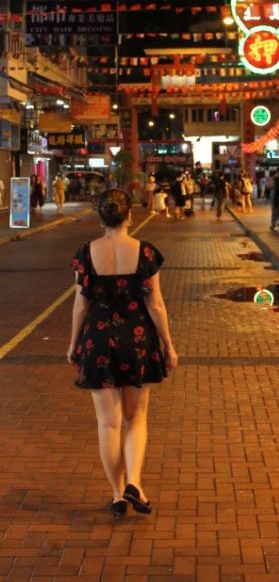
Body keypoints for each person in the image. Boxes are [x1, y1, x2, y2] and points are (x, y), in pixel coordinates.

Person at [67, 188, 177, 516]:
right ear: (129, 216)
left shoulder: (86, 253)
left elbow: (80, 303)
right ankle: (136, 482)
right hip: (137, 338)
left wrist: (73, 343)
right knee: (136, 417)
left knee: (108, 423)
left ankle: (117, 494)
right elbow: (154, 304)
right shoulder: (144, 253)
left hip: (97, 339)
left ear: (101, 218)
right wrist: (168, 344)